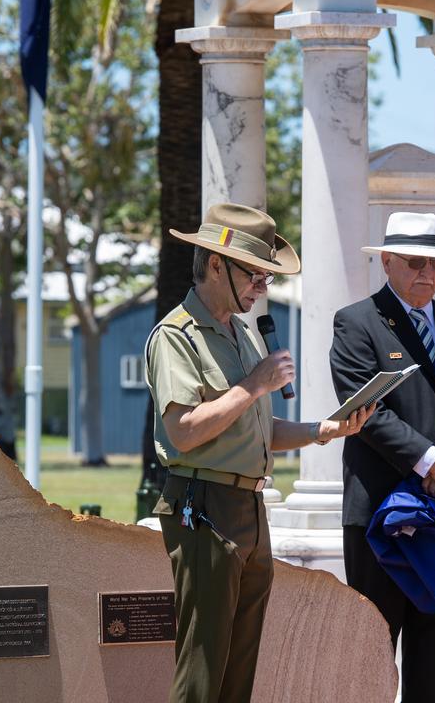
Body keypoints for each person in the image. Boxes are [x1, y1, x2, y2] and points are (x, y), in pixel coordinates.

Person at [146, 202, 375, 703]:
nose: (261, 288)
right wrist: (254, 384)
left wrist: (323, 430)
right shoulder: (175, 336)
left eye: (267, 279)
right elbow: (183, 432)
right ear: (214, 264)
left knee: (238, 668)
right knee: (203, 669)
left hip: (249, 507)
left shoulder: (241, 334)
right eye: (254, 275)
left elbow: (256, 430)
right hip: (202, 505)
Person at [329, 211, 435, 703]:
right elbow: (366, 408)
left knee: (434, 652)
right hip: (381, 514)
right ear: (387, 262)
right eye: (415, 262)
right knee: (372, 653)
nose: (428, 273)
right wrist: (431, 462)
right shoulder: (357, 323)